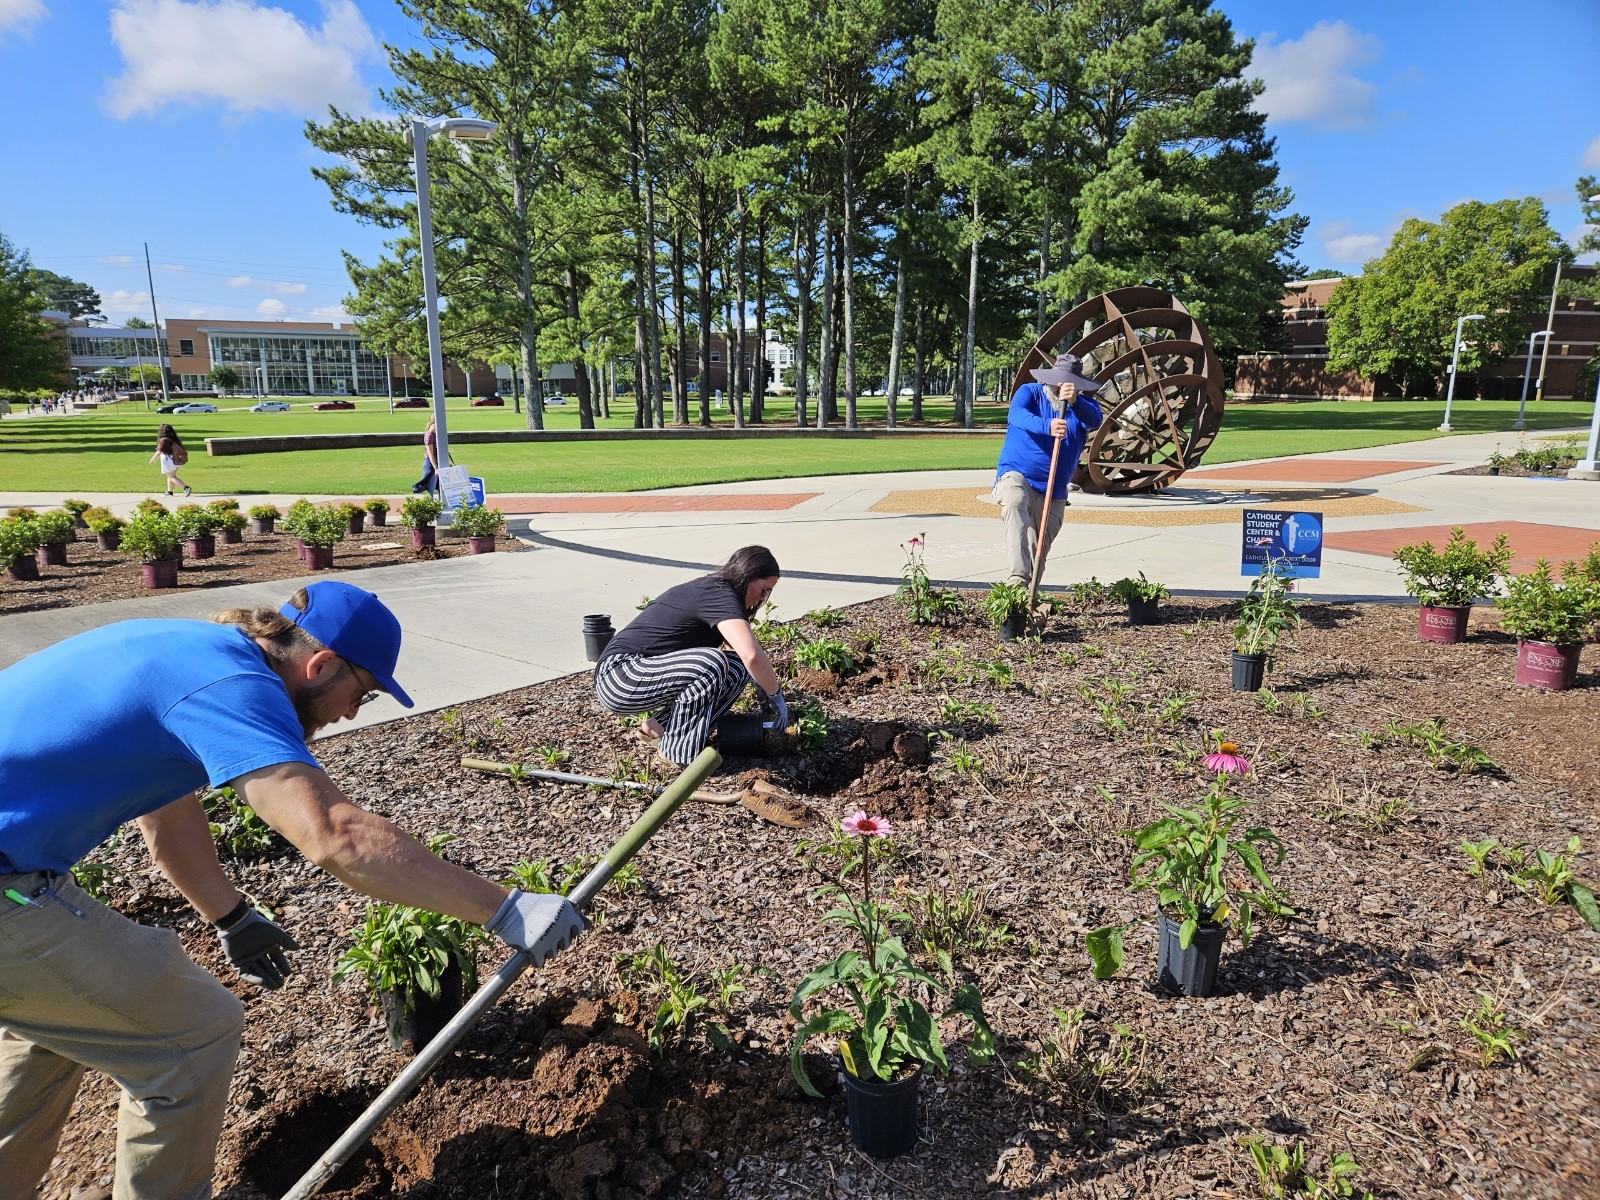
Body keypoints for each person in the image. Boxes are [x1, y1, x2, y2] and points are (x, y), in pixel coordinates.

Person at [0, 580, 584, 1200]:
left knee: (57, 1026)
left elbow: (166, 820)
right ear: (321, 664)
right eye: (360, 693)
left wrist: (230, 917)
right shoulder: (230, 686)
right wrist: (507, 907)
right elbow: (336, 836)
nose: (352, 714)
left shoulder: (188, 651)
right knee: (191, 1038)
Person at [594, 546, 787, 767]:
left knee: (736, 668)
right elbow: (751, 654)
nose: (763, 598)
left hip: (641, 674)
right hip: (620, 675)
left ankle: (660, 727)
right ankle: (675, 754)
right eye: (764, 590)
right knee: (713, 663)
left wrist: (763, 689)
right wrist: (776, 697)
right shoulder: (718, 593)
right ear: (748, 576)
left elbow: (746, 659)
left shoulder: (720, 594)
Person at [992, 352, 1104, 586]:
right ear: (1050, 378)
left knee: (1039, 548)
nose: (1062, 384)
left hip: (1054, 491)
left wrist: (1075, 401)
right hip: (1017, 475)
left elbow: (1096, 419)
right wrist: (1048, 425)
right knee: (1014, 501)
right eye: (1059, 379)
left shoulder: (1084, 407)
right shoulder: (1030, 393)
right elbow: (1017, 415)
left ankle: (1026, 600)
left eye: (1069, 381)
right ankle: (1017, 578)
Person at [151, 422, 192, 497]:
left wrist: (153, 459)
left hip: (169, 460)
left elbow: (160, 451)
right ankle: (169, 491)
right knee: (170, 475)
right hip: (176, 460)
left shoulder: (164, 440)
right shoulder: (174, 439)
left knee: (171, 477)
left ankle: (186, 488)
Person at [412, 416, 440, 498]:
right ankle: (431, 509)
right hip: (431, 465)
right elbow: (430, 454)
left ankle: (441, 507)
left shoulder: (435, 435)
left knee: (440, 488)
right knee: (430, 489)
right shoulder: (429, 435)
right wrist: (436, 468)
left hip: (437, 463)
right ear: (432, 424)